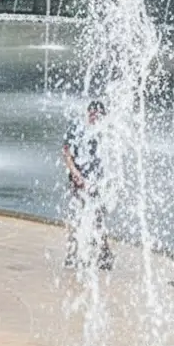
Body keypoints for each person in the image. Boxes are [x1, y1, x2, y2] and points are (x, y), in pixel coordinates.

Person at [62, 100, 113, 271]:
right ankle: (72, 253)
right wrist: (76, 174)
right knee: (76, 215)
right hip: (78, 180)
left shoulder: (105, 133)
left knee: (98, 218)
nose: (94, 117)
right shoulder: (77, 128)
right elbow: (67, 153)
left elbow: (110, 161)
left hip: (97, 182)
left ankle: (105, 253)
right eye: (91, 113)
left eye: (97, 114)